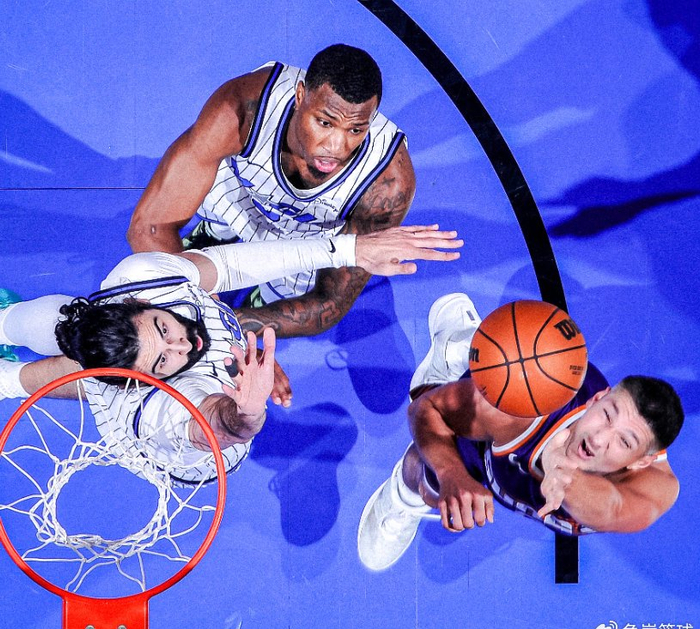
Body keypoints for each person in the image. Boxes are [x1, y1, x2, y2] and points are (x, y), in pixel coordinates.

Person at [0, 226, 461, 483]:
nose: (183, 345)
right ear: (144, 380)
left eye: (164, 329)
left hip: (141, 388)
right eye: (163, 361)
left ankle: (6, 351)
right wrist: (247, 410)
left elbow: (234, 264)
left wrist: (352, 249)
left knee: (72, 340)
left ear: (137, 303)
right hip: (183, 434)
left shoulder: (141, 275)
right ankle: (7, 346)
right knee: (77, 362)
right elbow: (217, 425)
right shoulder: (156, 405)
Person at [357, 293, 684, 571]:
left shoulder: (653, 489)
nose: (599, 439)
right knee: (430, 475)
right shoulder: (518, 414)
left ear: (642, 461)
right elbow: (425, 409)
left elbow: (612, 508)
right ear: (598, 399)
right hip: (502, 426)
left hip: (520, 451)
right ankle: (461, 352)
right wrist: (451, 474)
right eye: (607, 415)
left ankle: (474, 353)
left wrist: (563, 473)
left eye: (624, 441)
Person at [126, 44, 417, 338]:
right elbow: (149, 227)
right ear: (300, 96)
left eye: (355, 130)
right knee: (211, 189)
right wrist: (200, 313)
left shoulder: (388, 181)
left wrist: (229, 330)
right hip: (242, 195)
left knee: (286, 294)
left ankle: (259, 301)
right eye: (324, 123)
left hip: (307, 237)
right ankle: (213, 235)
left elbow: (328, 304)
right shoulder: (243, 107)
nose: (336, 147)